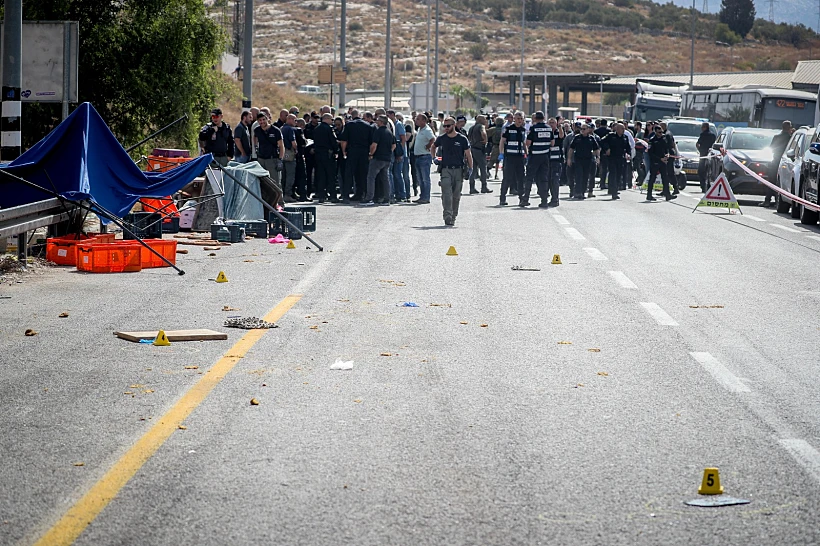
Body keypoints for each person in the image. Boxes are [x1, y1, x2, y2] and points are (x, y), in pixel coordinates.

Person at [430, 116, 473, 226]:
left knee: (456, 195)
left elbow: (468, 154)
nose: (446, 128)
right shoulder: (442, 138)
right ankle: (447, 215)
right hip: (446, 169)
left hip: (458, 170)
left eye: (448, 126)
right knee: (446, 193)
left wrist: (471, 168)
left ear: (454, 126)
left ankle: (454, 216)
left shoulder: (462, 139)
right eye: (444, 126)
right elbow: (433, 147)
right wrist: (434, 157)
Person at [339, 109, 374, 202]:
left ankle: (346, 195)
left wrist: (343, 152)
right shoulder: (368, 126)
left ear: (352, 115)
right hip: (364, 152)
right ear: (360, 115)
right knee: (362, 174)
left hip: (352, 151)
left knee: (349, 174)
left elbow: (344, 140)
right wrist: (370, 154)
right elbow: (371, 142)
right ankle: (361, 194)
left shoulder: (349, 125)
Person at [520, 111, 553, 208]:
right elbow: (552, 143)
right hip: (545, 156)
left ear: (535, 119)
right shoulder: (549, 128)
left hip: (535, 156)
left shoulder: (533, 128)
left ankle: (525, 199)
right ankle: (544, 201)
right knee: (543, 178)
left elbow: (528, 142)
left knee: (529, 178)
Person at [361, 115, 395, 206]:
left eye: (378, 120)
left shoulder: (378, 131)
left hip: (378, 158)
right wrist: (388, 152)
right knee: (385, 178)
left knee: (371, 177)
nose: (376, 122)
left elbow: (374, 145)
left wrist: (371, 154)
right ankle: (386, 199)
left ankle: (369, 198)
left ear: (381, 122)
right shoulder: (389, 132)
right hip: (387, 159)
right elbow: (394, 145)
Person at [499, 112, 527, 206]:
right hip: (510, 157)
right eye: (518, 118)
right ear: (514, 118)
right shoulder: (508, 129)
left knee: (521, 178)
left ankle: (522, 199)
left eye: (521, 118)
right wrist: (501, 153)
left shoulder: (523, 130)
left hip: (520, 157)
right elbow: (502, 141)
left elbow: (523, 143)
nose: (519, 120)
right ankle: (502, 198)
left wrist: (526, 154)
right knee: (507, 178)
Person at [762, 120, 793, 207]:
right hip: (785, 161)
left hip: (775, 161)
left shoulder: (776, 137)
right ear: (789, 127)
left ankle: (767, 200)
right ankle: (777, 201)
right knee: (780, 182)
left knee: (771, 181)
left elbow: (772, 147)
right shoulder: (790, 138)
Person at [566, 124, 600, 200]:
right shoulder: (577, 138)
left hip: (588, 160)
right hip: (578, 160)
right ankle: (577, 192)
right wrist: (569, 159)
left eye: (584, 129)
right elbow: (571, 149)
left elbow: (596, 149)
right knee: (578, 176)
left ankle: (583, 191)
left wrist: (598, 157)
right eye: (581, 129)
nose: (582, 130)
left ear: (588, 129)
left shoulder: (591, 138)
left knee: (586, 176)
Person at [313, 113, 339, 203]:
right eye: (331, 120)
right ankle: (333, 196)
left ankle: (321, 196)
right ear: (327, 119)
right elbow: (333, 141)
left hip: (318, 155)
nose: (332, 122)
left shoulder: (316, 129)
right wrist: (336, 150)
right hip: (328, 155)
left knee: (321, 176)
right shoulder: (329, 129)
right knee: (330, 176)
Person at [646, 124, 676, 201]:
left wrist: (668, 154)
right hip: (655, 162)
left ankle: (667, 195)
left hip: (663, 162)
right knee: (652, 178)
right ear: (655, 132)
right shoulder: (652, 140)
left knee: (665, 178)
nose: (660, 134)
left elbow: (667, 148)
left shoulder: (664, 139)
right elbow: (650, 153)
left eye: (661, 132)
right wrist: (660, 159)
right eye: (659, 132)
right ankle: (649, 195)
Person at [253, 112, 285, 183]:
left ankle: (278, 195)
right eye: (260, 120)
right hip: (261, 159)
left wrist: (280, 160)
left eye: (263, 119)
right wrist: (256, 147)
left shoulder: (276, 130)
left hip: (272, 159)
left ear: (267, 119)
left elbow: (281, 146)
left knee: (275, 182)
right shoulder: (257, 130)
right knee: (262, 182)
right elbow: (254, 137)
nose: (262, 122)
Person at [603, 123, 631, 200]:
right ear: (617, 129)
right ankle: (613, 192)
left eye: (624, 129)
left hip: (621, 158)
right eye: (622, 129)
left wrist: (628, 154)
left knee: (618, 175)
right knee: (613, 174)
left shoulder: (625, 137)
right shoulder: (611, 136)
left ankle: (615, 189)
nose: (623, 130)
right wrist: (607, 149)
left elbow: (628, 147)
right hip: (612, 158)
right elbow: (602, 142)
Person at [413, 113, 435, 205]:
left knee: (425, 178)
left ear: (424, 121)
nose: (416, 120)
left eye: (418, 119)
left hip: (424, 157)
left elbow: (433, 139)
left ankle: (426, 197)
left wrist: (429, 145)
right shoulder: (419, 129)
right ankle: (422, 196)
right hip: (418, 157)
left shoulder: (427, 130)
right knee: (420, 178)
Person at [387, 109, 408, 203]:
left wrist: (401, 153)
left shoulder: (398, 124)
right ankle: (396, 193)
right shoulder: (392, 125)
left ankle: (402, 194)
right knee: (395, 174)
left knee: (398, 174)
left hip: (399, 152)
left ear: (392, 115)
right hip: (394, 152)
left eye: (388, 115)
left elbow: (403, 139)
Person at [467, 115, 491, 194]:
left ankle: (472, 187)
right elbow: (483, 133)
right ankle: (484, 186)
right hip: (479, 150)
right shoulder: (481, 126)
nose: (485, 121)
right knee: (483, 168)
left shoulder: (471, 128)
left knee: (473, 169)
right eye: (484, 119)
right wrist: (485, 140)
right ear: (480, 120)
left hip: (472, 149)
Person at [280, 114, 299, 202]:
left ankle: (283, 193)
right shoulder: (290, 129)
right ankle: (288, 194)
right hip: (289, 154)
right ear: (290, 119)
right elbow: (293, 143)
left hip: (282, 154)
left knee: (283, 175)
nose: (296, 122)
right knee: (290, 175)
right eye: (295, 120)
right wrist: (296, 150)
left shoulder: (281, 128)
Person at [546, 116, 564, 207]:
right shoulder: (546, 133)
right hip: (547, 161)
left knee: (555, 181)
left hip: (556, 161)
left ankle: (555, 199)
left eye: (553, 123)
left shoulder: (558, 132)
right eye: (550, 123)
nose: (551, 124)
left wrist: (560, 127)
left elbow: (561, 136)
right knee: (547, 181)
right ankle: (547, 198)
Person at [695, 122, 717, 193]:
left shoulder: (703, 135)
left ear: (705, 127)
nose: (701, 129)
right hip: (712, 156)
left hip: (703, 156)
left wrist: (700, 150)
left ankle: (703, 186)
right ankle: (709, 187)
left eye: (702, 127)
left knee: (701, 171)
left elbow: (697, 144)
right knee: (710, 172)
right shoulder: (713, 135)